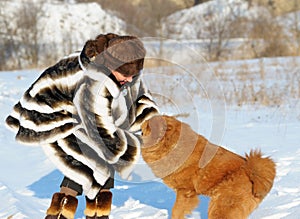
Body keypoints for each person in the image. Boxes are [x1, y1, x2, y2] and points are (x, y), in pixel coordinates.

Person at [6, 33, 160, 219]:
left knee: (103, 150)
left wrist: (152, 121)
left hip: (74, 110)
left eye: (133, 75)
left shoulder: (120, 67)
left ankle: (97, 212)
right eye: (125, 75)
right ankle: (61, 213)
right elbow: (101, 134)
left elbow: (139, 96)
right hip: (46, 116)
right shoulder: (93, 81)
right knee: (87, 157)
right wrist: (127, 152)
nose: (129, 79)